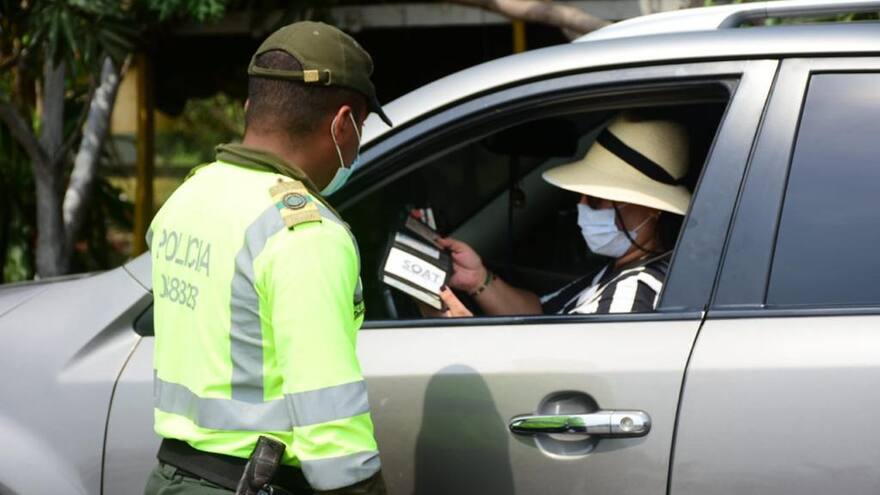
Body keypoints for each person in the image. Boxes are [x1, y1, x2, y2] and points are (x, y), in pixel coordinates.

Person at [144, 21, 392, 495]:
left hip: (171, 478)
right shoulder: (305, 234)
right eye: (360, 128)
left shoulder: (189, 197)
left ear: (249, 108)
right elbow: (332, 431)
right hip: (251, 485)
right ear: (343, 124)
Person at [437, 112, 690, 317]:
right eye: (580, 195)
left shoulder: (630, 294)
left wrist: (465, 336)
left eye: (595, 199)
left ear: (652, 208)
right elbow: (540, 313)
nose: (581, 205)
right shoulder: (617, 270)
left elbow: (572, 365)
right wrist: (478, 280)